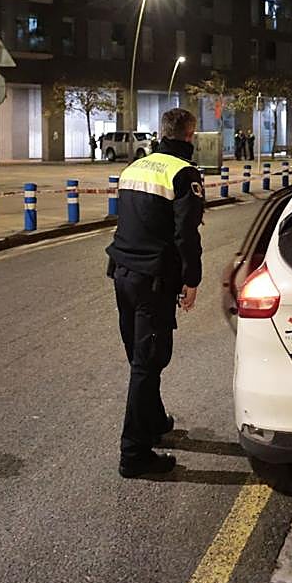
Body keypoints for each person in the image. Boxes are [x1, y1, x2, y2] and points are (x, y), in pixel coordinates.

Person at [106, 107, 205, 478]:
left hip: (123, 273)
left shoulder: (135, 167)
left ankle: (154, 423)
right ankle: (134, 453)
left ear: (162, 132)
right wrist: (191, 280)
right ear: (190, 136)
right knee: (148, 363)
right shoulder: (184, 174)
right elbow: (186, 235)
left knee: (140, 357)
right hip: (152, 281)